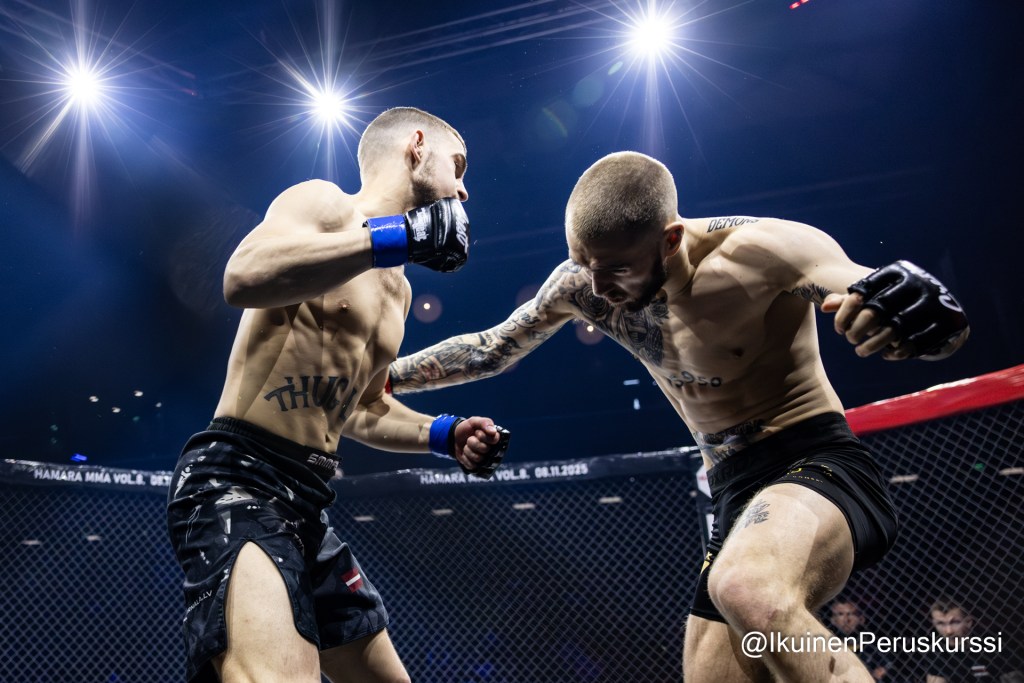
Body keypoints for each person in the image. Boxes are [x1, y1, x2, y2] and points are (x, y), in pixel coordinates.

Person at [388, 151, 970, 682]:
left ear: (669, 240)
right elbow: (490, 349)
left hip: (815, 464)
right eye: (583, 263)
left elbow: (869, 289)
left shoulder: (760, 252)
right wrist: (381, 376)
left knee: (747, 588)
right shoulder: (583, 283)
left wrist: (905, 308)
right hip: (733, 491)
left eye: (615, 268)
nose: (598, 287)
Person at [166, 107, 510, 683]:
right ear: (417, 145)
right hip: (238, 478)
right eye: (458, 165)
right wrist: (395, 237)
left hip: (308, 500)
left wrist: (445, 434)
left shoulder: (399, 291)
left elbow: (362, 408)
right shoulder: (324, 205)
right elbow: (240, 276)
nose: (464, 188)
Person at [925, 598, 1023, 683]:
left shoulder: (993, 646)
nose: (948, 631)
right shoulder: (937, 652)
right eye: (941, 624)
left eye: (955, 622)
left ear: (968, 622)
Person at [827, 598, 893, 681]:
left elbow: (888, 665)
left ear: (861, 619)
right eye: (840, 614)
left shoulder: (875, 645)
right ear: (833, 620)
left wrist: (880, 672)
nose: (846, 619)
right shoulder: (826, 646)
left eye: (851, 614)